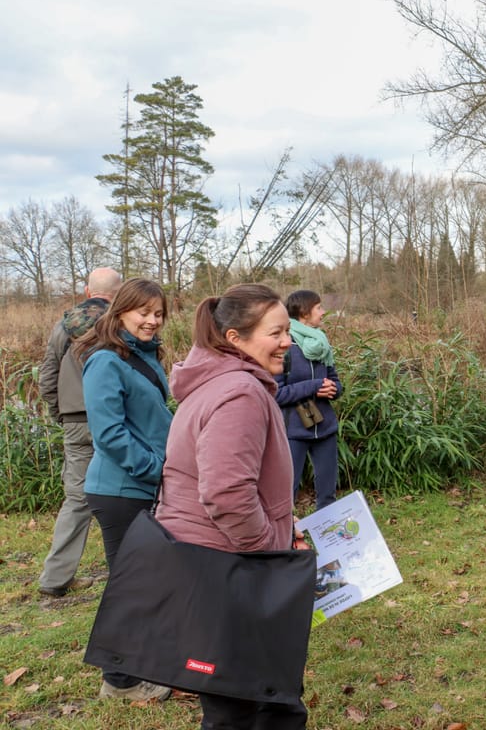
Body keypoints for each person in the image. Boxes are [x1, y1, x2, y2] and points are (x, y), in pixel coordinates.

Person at [156, 284, 310, 727]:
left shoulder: (221, 382)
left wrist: (285, 521)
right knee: (252, 701)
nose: (288, 342)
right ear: (235, 339)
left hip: (211, 561)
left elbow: (241, 483)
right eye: (276, 333)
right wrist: (268, 552)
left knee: (240, 694)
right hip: (231, 566)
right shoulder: (240, 392)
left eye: (288, 331)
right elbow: (227, 493)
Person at [76, 278, 174, 702]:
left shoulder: (144, 357)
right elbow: (110, 434)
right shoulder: (105, 362)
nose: (152, 320)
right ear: (120, 311)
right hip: (121, 489)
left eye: (159, 313)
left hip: (143, 486)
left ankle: (141, 663)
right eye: (143, 312)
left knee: (145, 579)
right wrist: (158, 470)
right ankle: (119, 682)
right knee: (130, 584)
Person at [37, 267, 121, 598]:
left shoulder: (64, 324)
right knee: (134, 491)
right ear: (119, 292)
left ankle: (55, 579)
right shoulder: (123, 323)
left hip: (76, 421)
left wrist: (63, 414)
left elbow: (47, 376)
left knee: (77, 498)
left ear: (88, 291)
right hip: (116, 419)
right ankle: (140, 570)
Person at [276, 290, 344, 511]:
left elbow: (334, 380)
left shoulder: (321, 343)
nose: (323, 312)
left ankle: (329, 539)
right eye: (319, 308)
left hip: (324, 426)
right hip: (293, 430)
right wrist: (315, 387)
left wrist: (333, 389)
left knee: (328, 492)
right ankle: (286, 540)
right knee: (287, 491)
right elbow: (277, 393)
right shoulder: (285, 346)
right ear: (304, 312)